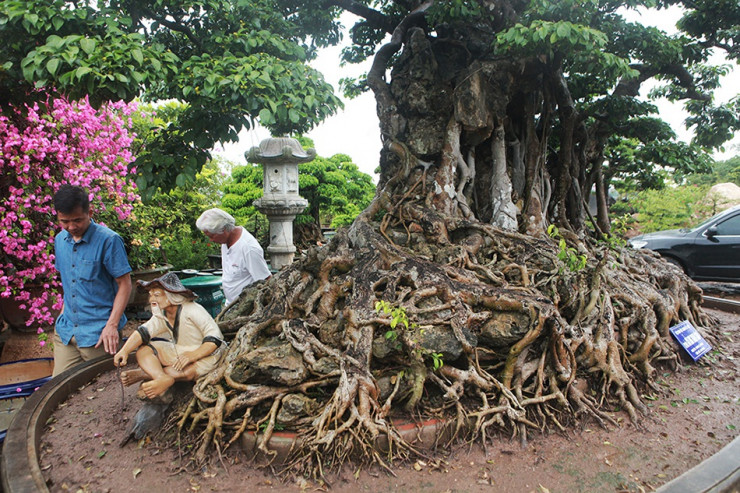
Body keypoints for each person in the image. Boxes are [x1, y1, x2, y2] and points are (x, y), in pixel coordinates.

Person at [52, 184, 132, 376]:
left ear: (90, 212)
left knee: (102, 394)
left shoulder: (109, 240)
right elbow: (69, 281)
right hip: (66, 332)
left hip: (100, 335)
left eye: (77, 220)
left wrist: (112, 326)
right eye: (65, 221)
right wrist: (62, 315)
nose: (71, 227)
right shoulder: (59, 240)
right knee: (57, 391)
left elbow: (125, 284)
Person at [114, 272, 226, 399]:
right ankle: (161, 378)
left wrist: (193, 355)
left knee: (188, 372)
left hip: (207, 354)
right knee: (144, 350)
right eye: (151, 295)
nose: (151, 300)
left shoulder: (192, 310)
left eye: (156, 295)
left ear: (171, 296)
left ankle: (143, 374)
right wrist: (124, 351)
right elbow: (143, 332)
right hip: (181, 350)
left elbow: (215, 337)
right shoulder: (162, 315)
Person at [196, 208, 271, 306]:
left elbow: (267, 281)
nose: (210, 240)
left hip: (247, 308)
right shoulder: (225, 241)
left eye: (212, 236)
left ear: (223, 230)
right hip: (230, 304)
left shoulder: (249, 248)